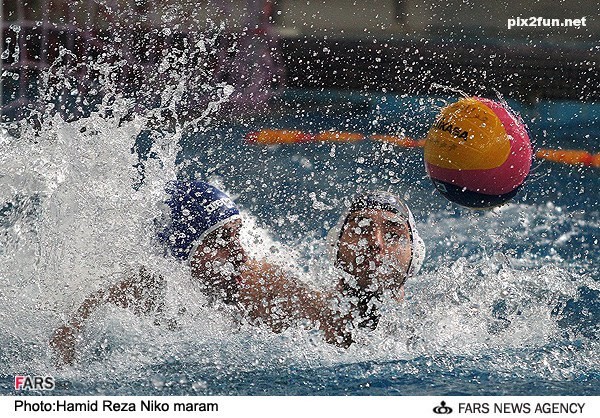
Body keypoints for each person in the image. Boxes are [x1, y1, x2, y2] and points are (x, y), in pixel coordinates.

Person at [50, 181, 351, 366]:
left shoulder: (264, 284)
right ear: (183, 252)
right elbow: (65, 343)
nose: (240, 254)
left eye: (236, 235)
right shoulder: (139, 292)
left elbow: (339, 328)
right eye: (219, 241)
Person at [327, 190, 425, 331]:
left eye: (393, 235)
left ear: (415, 253)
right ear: (335, 245)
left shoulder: (440, 322)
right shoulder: (302, 309)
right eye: (361, 230)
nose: (376, 242)